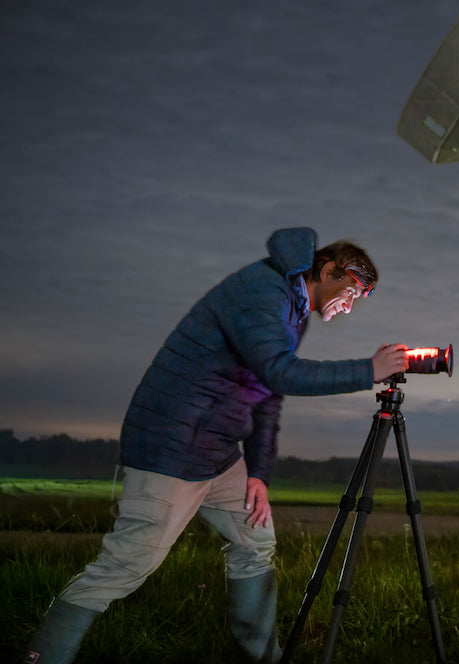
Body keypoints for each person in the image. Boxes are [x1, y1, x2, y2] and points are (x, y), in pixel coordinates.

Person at [25, 228, 410, 664]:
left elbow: (267, 394)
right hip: (171, 447)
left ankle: (263, 658)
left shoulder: (292, 309)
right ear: (327, 271)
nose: (350, 305)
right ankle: (42, 656)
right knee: (124, 567)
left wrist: (260, 474)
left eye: (360, 299)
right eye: (352, 292)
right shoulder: (263, 292)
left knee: (254, 541)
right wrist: (368, 370)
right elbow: (280, 373)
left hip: (217, 452)